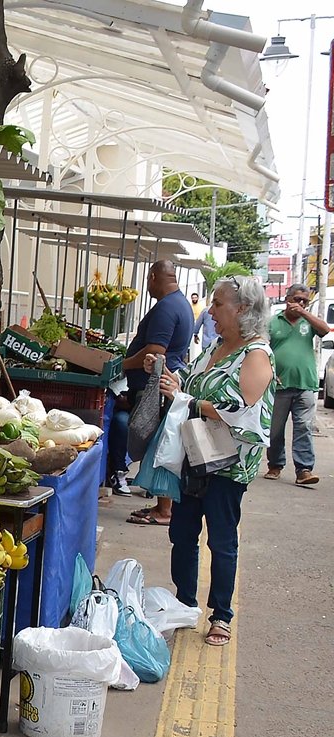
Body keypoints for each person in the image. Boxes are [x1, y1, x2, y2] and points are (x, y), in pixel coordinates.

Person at [149, 275, 273, 647]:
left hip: (228, 466)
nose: (211, 310)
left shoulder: (256, 354)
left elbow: (241, 411)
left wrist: (185, 400)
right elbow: (192, 382)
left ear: (243, 309)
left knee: (221, 540)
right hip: (196, 457)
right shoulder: (216, 346)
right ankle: (185, 602)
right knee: (182, 535)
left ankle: (221, 615)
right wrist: (170, 377)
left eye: (218, 304)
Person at [111, 261, 194, 518]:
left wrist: (123, 364)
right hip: (161, 385)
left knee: (161, 444)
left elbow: (155, 351)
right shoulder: (180, 304)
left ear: (153, 276)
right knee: (161, 444)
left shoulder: (166, 308)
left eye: (148, 281)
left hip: (155, 389)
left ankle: (164, 509)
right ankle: (161, 506)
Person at [265, 283, 328, 487]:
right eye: (297, 299)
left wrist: (305, 313)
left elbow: (325, 330)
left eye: (304, 301)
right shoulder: (273, 322)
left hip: (305, 383)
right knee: (275, 429)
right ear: (287, 299)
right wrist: (270, 373)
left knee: (303, 427)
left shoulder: (308, 322)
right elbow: (262, 349)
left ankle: (304, 469)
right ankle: (275, 464)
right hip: (279, 384)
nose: (300, 303)